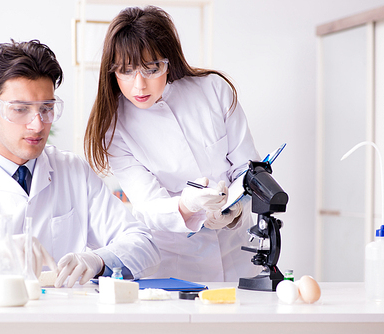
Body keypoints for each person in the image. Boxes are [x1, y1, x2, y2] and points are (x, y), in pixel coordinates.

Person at [0, 39, 160, 288]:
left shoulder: (73, 172)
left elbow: (144, 244)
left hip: (56, 319)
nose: (37, 124)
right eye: (20, 109)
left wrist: (99, 260)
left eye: (46, 108)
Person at [85, 6, 262, 282]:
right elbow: (148, 205)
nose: (139, 85)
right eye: (126, 71)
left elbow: (249, 168)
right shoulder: (115, 126)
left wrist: (236, 210)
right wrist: (188, 205)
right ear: (112, 71)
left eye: (151, 68)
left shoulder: (213, 90)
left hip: (238, 252)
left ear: (169, 61)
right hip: (176, 262)